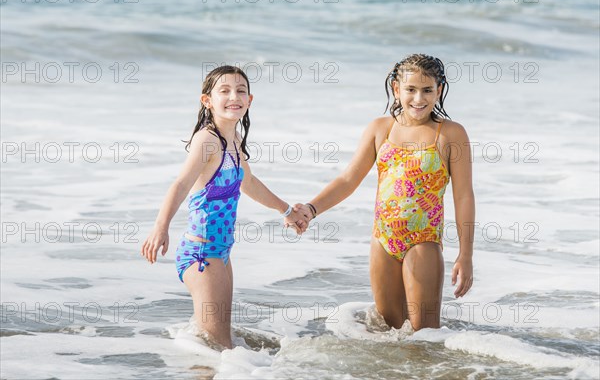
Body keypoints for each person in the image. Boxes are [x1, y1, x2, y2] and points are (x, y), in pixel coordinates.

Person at [295, 54, 475, 331]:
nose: (419, 98)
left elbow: (463, 196)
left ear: (439, 90)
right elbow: (347, 179)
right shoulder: (381, 129)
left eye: (428, 90)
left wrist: (465, 255)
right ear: (395, 89)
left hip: (423, 241)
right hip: (383, 240)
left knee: (424, 335)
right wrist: (311, 209)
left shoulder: (450, 134)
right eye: (410, 90)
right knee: (389, 333)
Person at [141, 65, 307, 349]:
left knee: (218, 342)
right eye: (225, 90)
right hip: (202, 254)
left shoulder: (233, 139)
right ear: (207, 100)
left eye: (241, 90)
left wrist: (287, 211)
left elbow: (249, 183)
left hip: (221, 251)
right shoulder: (208, 140)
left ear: (250, 100)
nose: (234, 96)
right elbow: (181, 184)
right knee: (217, 346)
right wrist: (161, 227)